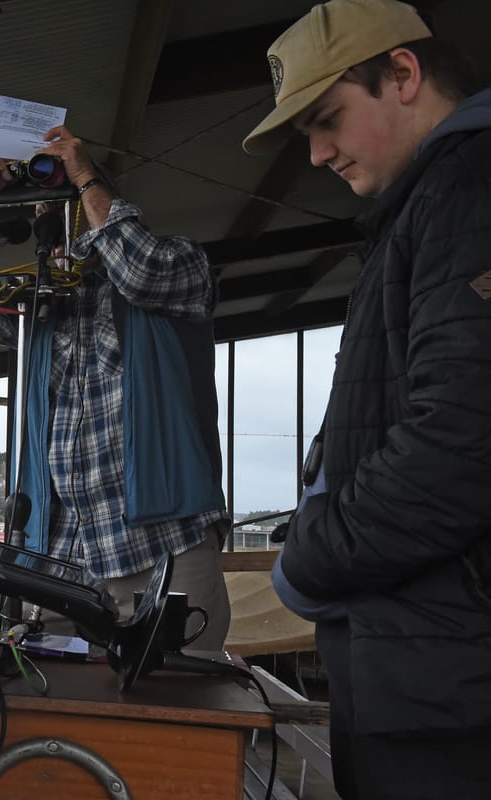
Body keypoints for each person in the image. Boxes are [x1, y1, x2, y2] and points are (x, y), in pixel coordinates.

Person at [243, 1, 491, 797]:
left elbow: (461, 440)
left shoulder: (471, 187)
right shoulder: (424, 206)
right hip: (425, 668)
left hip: (451, 687)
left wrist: (309, 560)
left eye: (327, 119)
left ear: (404, 75)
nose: (317, 154)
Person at [0, 123, 232, 648]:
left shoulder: (181, 266)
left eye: (61, 206)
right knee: (57, 688)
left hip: (164, 544)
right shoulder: (39, 309)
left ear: (95, 206)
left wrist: (83, 176)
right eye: (42, 212)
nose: (49, 221)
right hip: (62, 555)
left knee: (180, 688)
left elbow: (142, 272)